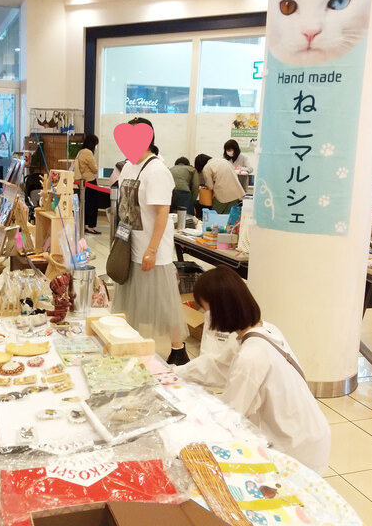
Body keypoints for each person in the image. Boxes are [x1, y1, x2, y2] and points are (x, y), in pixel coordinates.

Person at [175, 266, 330, 474]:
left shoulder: (250, 357)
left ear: (222, 309)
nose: (205, 316)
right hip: (309, 430)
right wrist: (173, 373)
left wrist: (187, 432)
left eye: (205, 309)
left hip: (297, 446)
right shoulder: (263, 331)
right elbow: (217, 365)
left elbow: (230, 416)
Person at [111, 117, 188, 365]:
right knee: (131, 299)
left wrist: (152, 250)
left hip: (153, 248)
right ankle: (131, 344)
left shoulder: (157, 170)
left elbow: (162, 213)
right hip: (129, 243)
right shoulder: (129, 166)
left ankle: (178, 349)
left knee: (164, 301)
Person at [74, 134, 101, 234]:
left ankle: (83, 225)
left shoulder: (80, 152)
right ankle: (91, 227)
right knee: (92, 205)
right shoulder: (88, 152)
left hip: (82, 182)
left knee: (85, 204)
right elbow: (95, 169)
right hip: (90, 181)